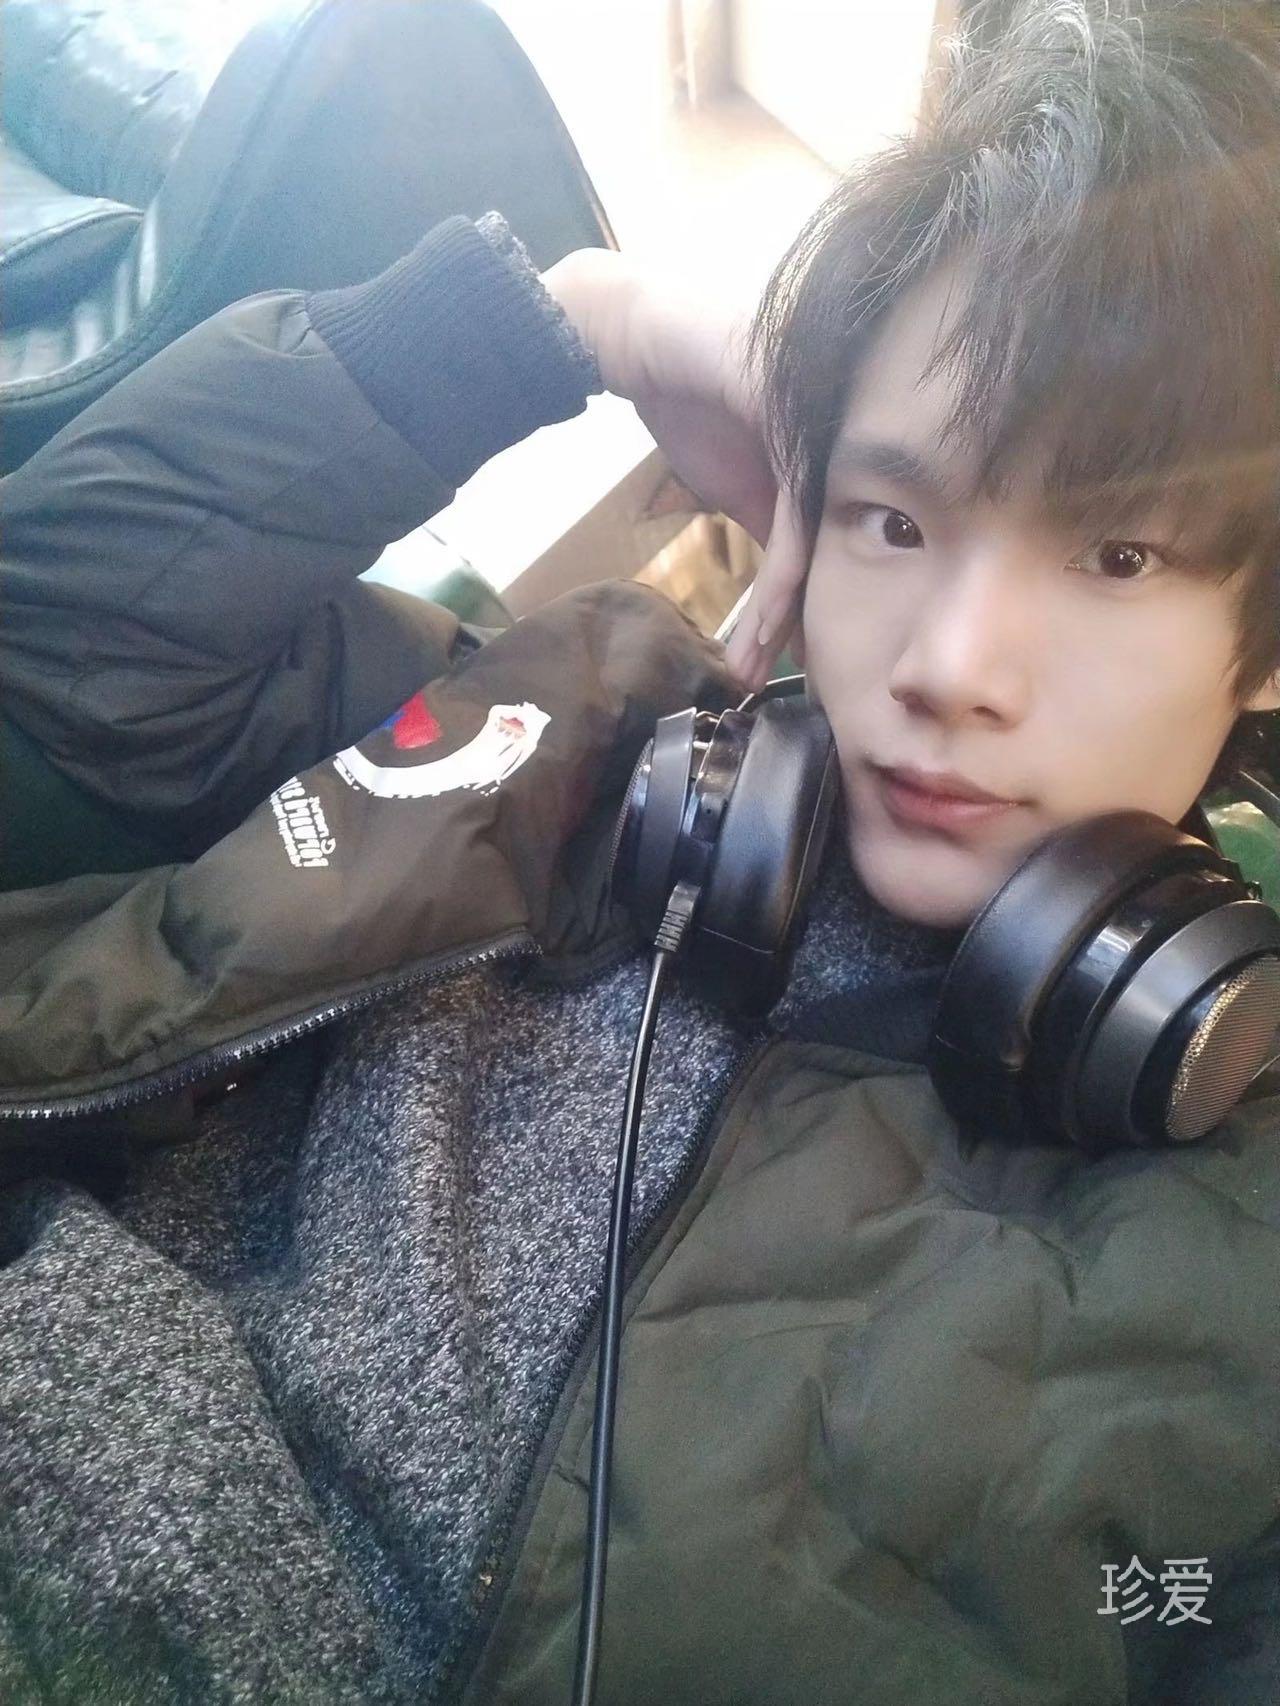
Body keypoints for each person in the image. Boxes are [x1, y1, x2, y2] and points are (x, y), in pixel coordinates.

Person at [1, 1, 1279, 1702]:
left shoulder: (1238, 1275)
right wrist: (582, 319)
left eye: (1118, 555)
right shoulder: (591, 725)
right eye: (896, 519)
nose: (952, 664)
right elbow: (59, 659)